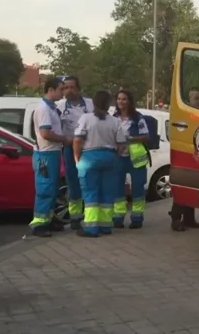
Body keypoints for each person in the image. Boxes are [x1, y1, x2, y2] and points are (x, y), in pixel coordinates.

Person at [73, 91, 126, 238]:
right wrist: (115, 156)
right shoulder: (114, 121)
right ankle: (105, 225)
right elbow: (122, 144)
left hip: (89, 157)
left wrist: (77, 158)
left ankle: (91, 227)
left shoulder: (86, 118)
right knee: (107, 193)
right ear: (109, 104)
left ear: (94, 103)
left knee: (90, 193)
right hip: (110, 158)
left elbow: (77, 140)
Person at [29, 78, 70, 237]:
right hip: (45, 154)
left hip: (51, 153)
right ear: (51, 90)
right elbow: (46, 134)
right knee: (45, 190)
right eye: (61, 89)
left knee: (52, 189)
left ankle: (49, 219)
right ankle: (39, 225)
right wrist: (64, 139)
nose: (63, 92)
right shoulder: (44, 109)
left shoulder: (51, 108)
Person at [57, 76, 94, 230]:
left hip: (88, 148)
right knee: (73, 182)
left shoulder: (90, 104)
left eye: (72, 87)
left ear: (79, 89)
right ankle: (75, 218)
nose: (68, 90)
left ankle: (90, 215)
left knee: (89, 181)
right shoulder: (59, 106)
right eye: (65, 87)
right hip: (69, 148)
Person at [112, 90, 150, 229]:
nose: (121, 101)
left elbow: (146, 136)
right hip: (119, 158)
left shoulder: (137, 118)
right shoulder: (114, 117)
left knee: (138, 188)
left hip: (136, 158)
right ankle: (118, 216)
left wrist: (130, 139)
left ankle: (137, 217)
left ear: (129, 101)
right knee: (117, 188)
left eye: (124, 99)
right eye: (119, 99)